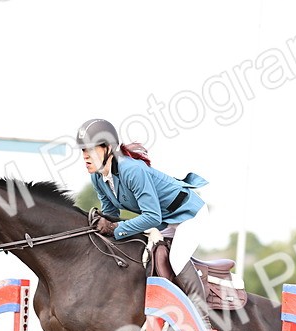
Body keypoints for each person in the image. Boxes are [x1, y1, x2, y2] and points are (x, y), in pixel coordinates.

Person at [75, 118, 211, 311]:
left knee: (176, 258)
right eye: (82, 151)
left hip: (189, 215)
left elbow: (152, 217)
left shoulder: (132, 170)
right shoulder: (97, 177)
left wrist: (116, 228)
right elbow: (111, 213)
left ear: (107, 148)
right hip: (164, 222)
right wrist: (102, 224)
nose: (85, 156)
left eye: (90, 150)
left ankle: (202, 319)